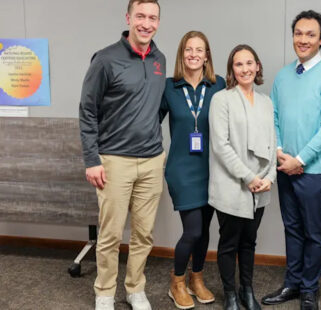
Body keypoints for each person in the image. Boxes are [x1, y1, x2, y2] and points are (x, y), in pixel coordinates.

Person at [78, 1, 165, 309]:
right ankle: (104, 292)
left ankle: (134, 288)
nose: (146, 23)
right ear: (129, 18)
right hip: (114, 161)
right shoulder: (105, 59)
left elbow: (153, 108)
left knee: (144, 234)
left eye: (152, 17)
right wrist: (92, 159)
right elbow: (87, 111)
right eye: (140, 16)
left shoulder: (160, 59)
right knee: (111, 234)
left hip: (153, 161)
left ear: (158, 22)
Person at [261, 10, 321, 310]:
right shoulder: (283, 76)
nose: (303, 39)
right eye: (298, 33)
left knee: (313, 231)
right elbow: (274, 117)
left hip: (313, 170)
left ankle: (310, 288)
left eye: (310, 34)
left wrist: (301, 159)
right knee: (292, 228)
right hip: (285, 166)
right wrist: (280, 150)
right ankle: (292, 284)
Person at [159, 31, 225, 309]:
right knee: (193, 230)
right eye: (189, 49)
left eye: (199, 50)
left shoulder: (218, 85)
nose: (194, 54)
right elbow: (149, 123)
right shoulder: (168, 87)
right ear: (181, 54)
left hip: (212, 167)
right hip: (182, 168)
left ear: (207, 55)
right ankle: (177, 282)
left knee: (206, 230)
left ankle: (196, 279)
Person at [209, 44, 277, 310]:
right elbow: (220, 145)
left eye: (250, 63)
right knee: (229, 243)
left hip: (261, 186)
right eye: (239, 64)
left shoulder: (266, 101)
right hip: (233, 185)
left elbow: (273, 143)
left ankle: (246, 289)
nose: (245, 69)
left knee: (249, 241)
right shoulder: (222, 100)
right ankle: (230, 294)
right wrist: (249, 177)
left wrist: (269, 176)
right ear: (232, 69)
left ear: (257, 66)